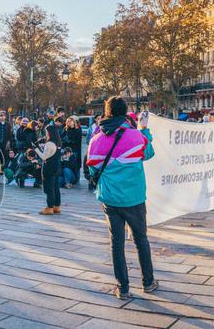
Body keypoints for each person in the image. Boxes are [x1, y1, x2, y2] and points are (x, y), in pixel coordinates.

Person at [86, 97, 158, 300]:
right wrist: (144, 128)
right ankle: (148, 281)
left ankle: (123, 287)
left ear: (107, 112)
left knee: (116, 242)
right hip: (133, 197)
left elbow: (92, 168)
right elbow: (149, 153)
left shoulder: (96, 140)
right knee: (140, 239)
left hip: (109, 198)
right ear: (125, 112)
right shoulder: (135, 136)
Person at [36, 121, 62, 215]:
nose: (45, 134)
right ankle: (57, 206)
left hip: (49, 167)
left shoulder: (50, 143)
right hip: (57, 166)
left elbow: (44, 157)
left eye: (46, 132)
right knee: (56, 187)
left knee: (49, 188)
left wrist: (36, 148)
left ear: (50, 133)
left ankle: (49, 207)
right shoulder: (58, 142)